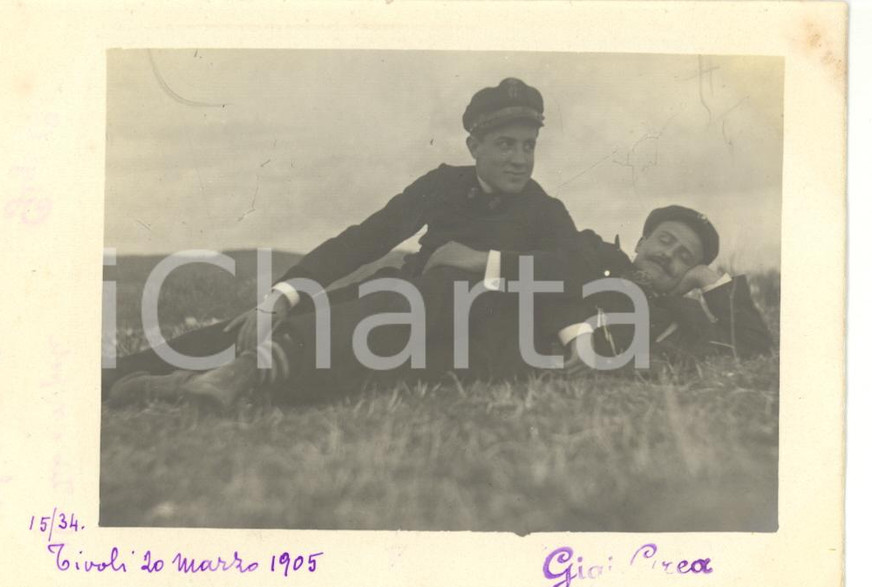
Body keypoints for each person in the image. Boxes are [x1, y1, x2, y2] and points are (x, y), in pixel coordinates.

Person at [105, 77, 600, 407]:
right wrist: (281, 295)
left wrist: (483, 262)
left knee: (437, 291)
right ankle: (127, 378)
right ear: (474, 147)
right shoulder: (444, 184)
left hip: (466, 333)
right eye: (505, 145)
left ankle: (241, 374)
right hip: (394, 310)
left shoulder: (545, 209)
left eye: (528, 146)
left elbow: (571, 269)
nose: (519, 159)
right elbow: (369, 237)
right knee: (275, 320)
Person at [421, 205, 774, 376]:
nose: (669, 255)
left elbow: (755, 347)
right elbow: (549, 277)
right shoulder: (595, 254)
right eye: (665, 241)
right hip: (477, 314)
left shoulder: (685, 319)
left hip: (489, 363)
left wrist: (708, 280)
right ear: (640, 242)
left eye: (685, 257)